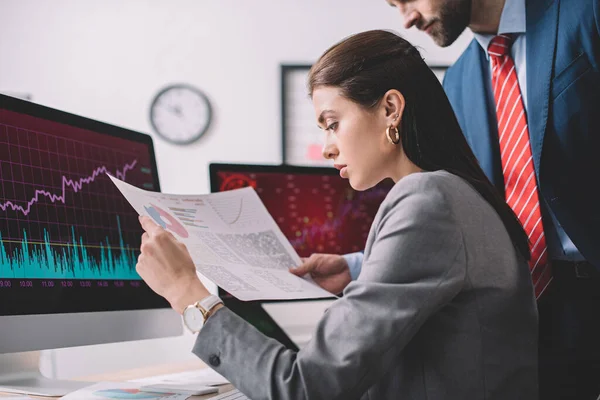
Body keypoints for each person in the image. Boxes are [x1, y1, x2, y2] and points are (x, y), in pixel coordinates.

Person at [135, 30, 538, 399]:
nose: (327, 148)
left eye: (332, 124)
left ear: (390, 109)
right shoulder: (457, 192)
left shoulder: (427, 199)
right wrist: (361, 270)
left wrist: (188, 294)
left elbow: (307, 388)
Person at [306, 1, 600, 398]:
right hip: (522, 315)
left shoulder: (586, 16)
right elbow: (469, 215)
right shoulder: (459, 80)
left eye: (406, 0)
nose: (407, 17)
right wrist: (361, 265)